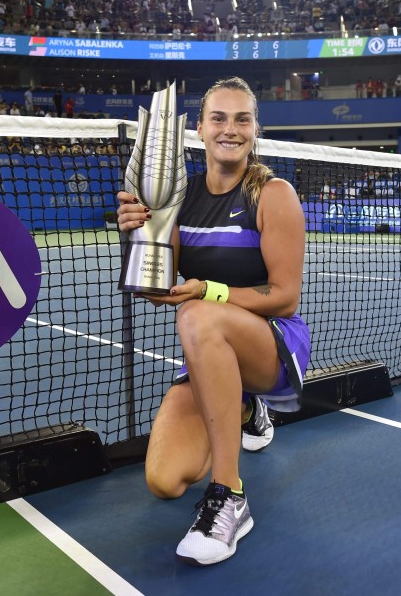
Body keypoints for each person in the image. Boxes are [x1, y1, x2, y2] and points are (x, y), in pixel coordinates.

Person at [115, 77, 310, 566]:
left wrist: (210, 292)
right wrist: (142, 234)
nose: (230, 129)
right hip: (210, 345)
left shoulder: (273, 195)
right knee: (165, 481)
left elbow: (284, 298)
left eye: (242, 118)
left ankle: (230, 494)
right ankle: (244, 410)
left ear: (254, 128)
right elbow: (154, 289)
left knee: (198, 313)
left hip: (272, 346)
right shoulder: (178, 200)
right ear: (199, 129)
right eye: (218, 118)